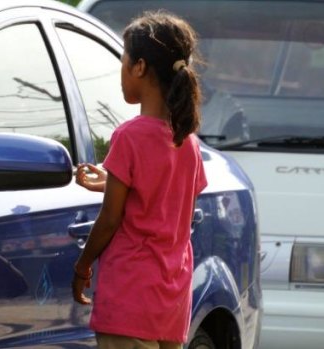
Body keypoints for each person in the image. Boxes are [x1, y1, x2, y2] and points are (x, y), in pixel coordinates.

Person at [71, 10, 208, 349]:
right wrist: (113, 181)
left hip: (129, 298)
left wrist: (83, 266)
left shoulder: (129, 136)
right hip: (171, 303)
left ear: (140, 67)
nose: (120, 72)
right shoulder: (187, 141)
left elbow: (110, 219)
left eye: (123, 62)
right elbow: (170, 203)